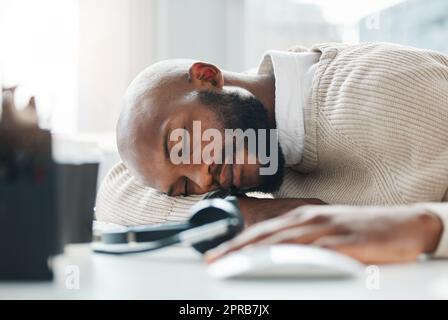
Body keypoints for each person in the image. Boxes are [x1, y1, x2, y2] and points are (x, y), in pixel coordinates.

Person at [96, 42, 448, 264]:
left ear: (208, 77)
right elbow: (115, 190)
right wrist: (243, 212)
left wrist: (423, 228)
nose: (204, 178)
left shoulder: (389, 89)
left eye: (181, 144)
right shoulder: (265, 142)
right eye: (185, 188)